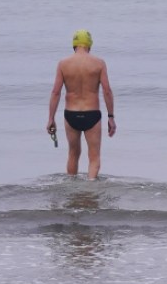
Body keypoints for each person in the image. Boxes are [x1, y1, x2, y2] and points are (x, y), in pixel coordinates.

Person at [46, 30, 116, 179]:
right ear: (89, 45)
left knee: (73, 153)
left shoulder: (63, 64)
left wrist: (51, 118)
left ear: (74, 45)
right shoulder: (99, 63)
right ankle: (90, 188)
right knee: (94, 157)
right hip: (92, 114)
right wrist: (111, 117)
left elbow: (56, 92)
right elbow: (107, 91)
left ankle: (72, 188)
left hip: (71, 114)